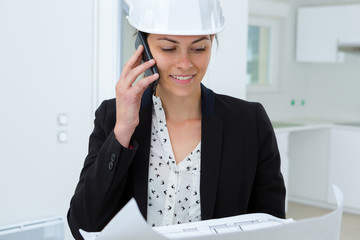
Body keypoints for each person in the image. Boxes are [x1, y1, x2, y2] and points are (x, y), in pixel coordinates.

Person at [67, 0, 286, 239]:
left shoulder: (249, 123)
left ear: (211, 42)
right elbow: (82, 224)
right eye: (169, 49)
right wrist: (122, 132)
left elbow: (270, 226)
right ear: (143, 48)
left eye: (199, 48)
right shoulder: (113, 117)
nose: (185, 63)